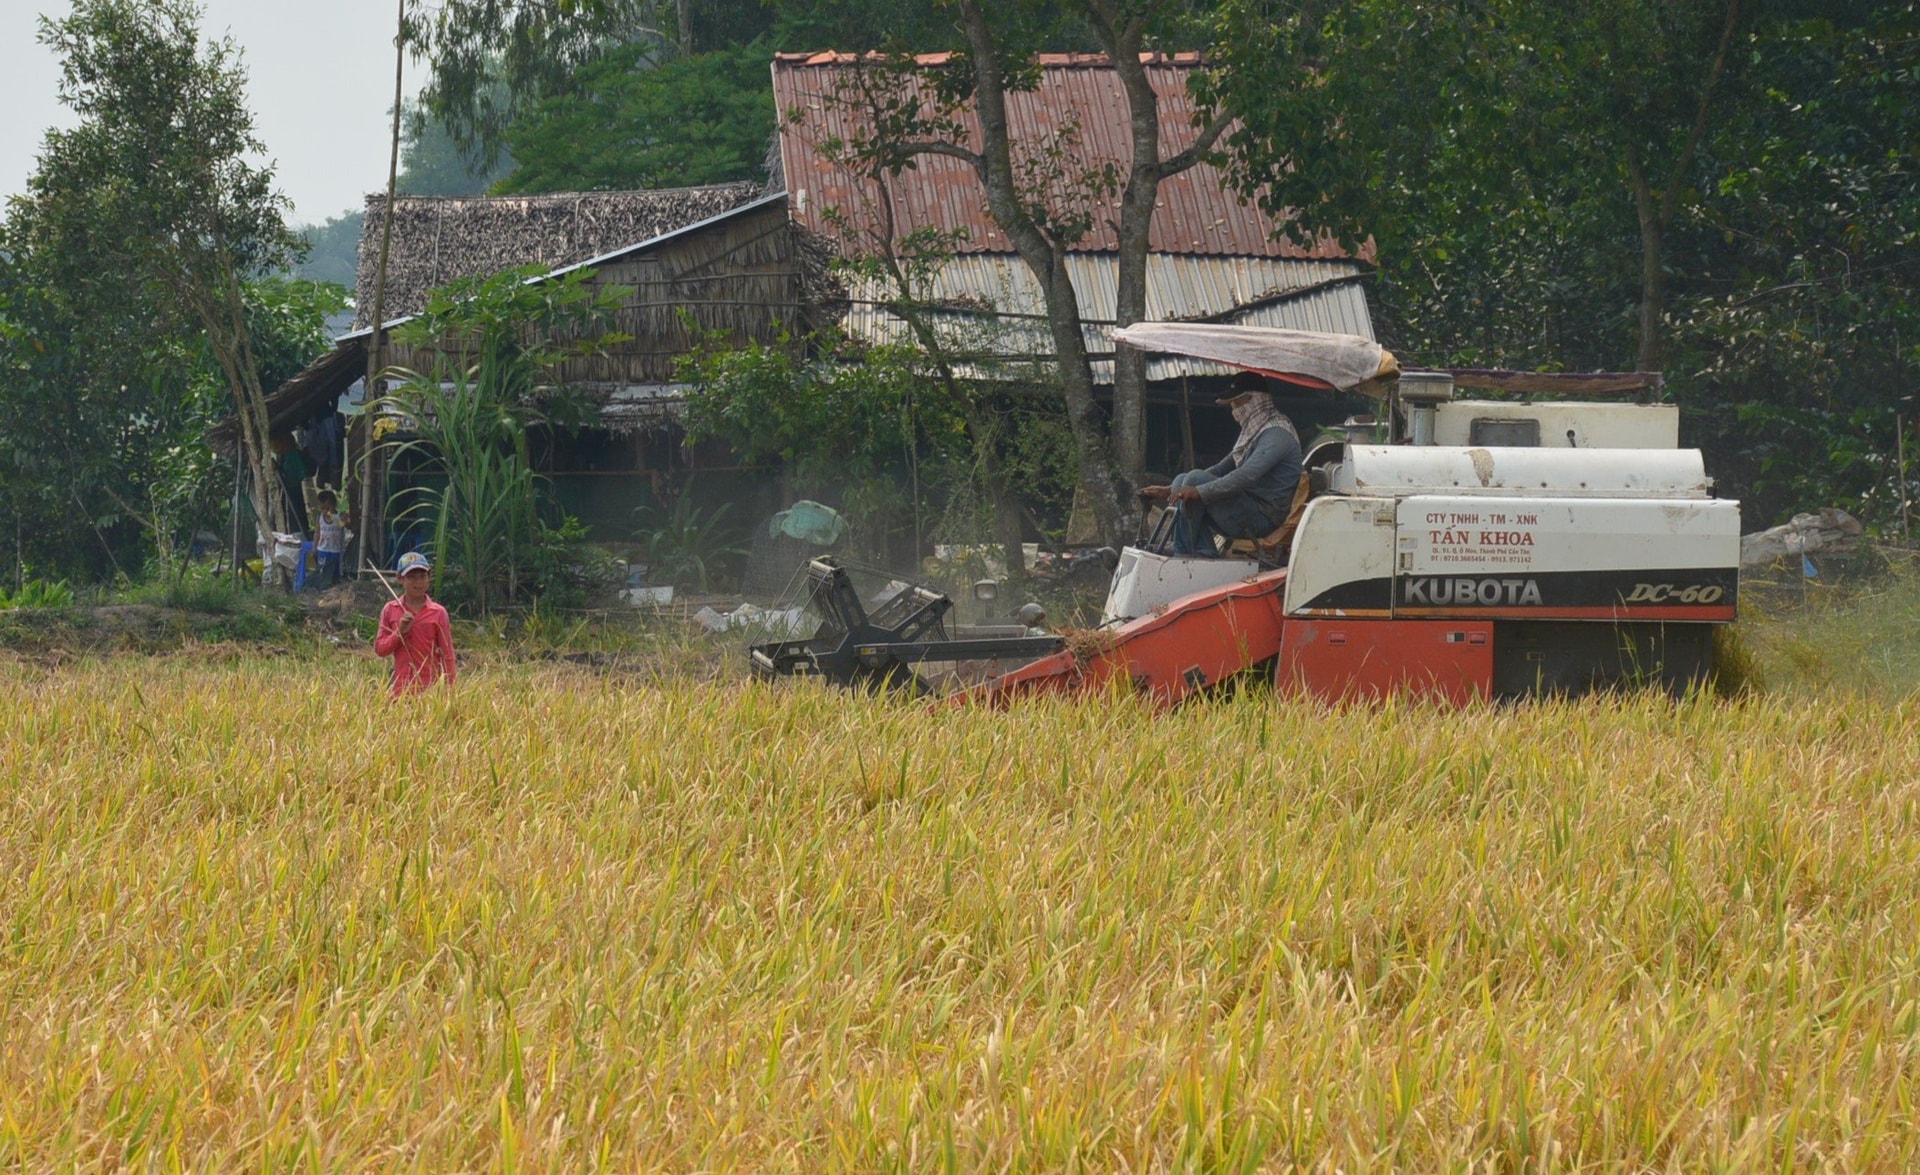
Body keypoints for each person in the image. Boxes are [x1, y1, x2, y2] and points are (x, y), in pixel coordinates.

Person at [1141, 373, 1303, 556]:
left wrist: (1198, 491)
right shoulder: (1255, 431)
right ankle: (1202, 550)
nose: (1234, 409)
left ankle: (1184, 551)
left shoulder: (1277, 433)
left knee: (1194, 481)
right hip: (1245, 507)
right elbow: (1220, 469)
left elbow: (1246, 475)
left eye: (1237, 402)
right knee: (1182, 480)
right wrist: (1170, 489)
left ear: (1255, 399)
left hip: (1262, 517)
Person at [374, 551, 457, 697]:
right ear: (400, 578)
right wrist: (399, 632)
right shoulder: (390, 610)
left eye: (422, 576)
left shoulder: (438, 613)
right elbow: (380, 650)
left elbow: (447, 654)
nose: (418, 582)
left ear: (428, 578)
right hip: (399, 691)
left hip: (430, 691)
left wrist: (451, 690)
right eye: (411, 577)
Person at [313, 490, 347, 589]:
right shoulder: (320, 517)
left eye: (328, 508)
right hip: (322, 549)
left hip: (335, 550)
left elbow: (344, 524)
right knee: (322, 571)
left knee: (335, 571)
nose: (325, 511)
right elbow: (317, 532)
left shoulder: (339, 516)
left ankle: (334, 587)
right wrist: (314, 547)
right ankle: (323, 587)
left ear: (334, 505)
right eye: (322, 508)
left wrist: (339, 518)